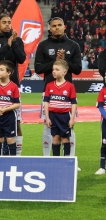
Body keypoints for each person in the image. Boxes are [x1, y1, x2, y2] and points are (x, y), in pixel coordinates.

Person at [34, 17, 81, 163]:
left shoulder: (73, 46)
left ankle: (70, 160)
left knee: (69, 126)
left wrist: (64, 62)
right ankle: (48, 159)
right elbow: (38, 68)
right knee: (47, 125)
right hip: (48, 92)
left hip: (68, 93)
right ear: (50, 28)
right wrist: (54, 61)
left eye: (59, 25)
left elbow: (78, 69)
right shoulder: (43, 45)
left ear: (64, 26)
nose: (57, 28)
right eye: (54, 26)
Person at [0, 14, 26, 155]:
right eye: (4, 22)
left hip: (12, 85)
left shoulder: (18, 41)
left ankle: (16, 157)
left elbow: (21, 59)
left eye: (9, 22)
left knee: (17, 122)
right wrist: (6, 46)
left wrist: (13, 43)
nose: (7, 24)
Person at [43, 60, 77, 157]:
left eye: (57, 70)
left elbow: (73, 103)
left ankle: (66, 160)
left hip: (65, 116)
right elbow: (46, 102)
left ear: (64, 72)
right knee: (55, 138)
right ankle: (56, 161)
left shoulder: (70, 86)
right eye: (53, 69)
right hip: (53, 116)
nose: (54, 71)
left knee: (65, 138)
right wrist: (47, 117)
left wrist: (72, 118)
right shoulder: (49, 85)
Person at [0, 60, 21, 156]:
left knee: (10, 139)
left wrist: (4, 109)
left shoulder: (13, 87)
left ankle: (13, 160)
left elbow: (17, 104)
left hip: (9, 117)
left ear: (8, 73)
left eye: (1, 70)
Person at [95, 77, 106, 175]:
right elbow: (100, 106)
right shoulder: (103, 91)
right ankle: (102, 167)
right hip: (105, 121)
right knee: (104, 143)